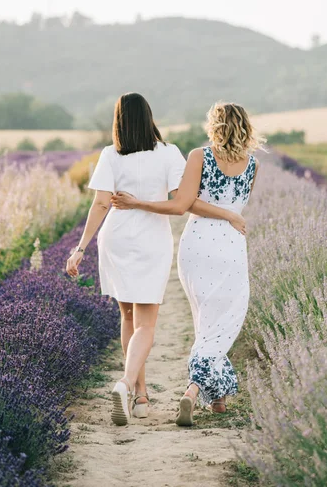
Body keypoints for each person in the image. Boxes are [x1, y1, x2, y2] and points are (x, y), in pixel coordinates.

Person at [66, 93, 247, 426]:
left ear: (118, 120)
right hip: (152, 238)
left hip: (116, 237)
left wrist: (80, 247)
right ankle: (128, 386)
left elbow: (100, 205)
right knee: (147, 323)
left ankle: (140, 394)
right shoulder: (169, 153)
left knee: (128, 317)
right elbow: (183, 201)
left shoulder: (109, 155)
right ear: (150, 118)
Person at [111, 102, 263, 426]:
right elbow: (232, 207)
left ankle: (215, 397)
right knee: (222, 323)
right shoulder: (253, 165)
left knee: (206, 322)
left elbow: (185, 203)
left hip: (197, 245)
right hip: (231, 245)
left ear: (215, 126)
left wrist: (136, 203)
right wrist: (229, 214)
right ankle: (195, 392)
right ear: (245, 127)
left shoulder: (199, 156)